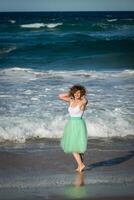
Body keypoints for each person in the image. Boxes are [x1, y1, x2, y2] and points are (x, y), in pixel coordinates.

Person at [59, 84, 88, 172]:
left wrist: (80, 95)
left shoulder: (82, 102)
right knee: (74, 145)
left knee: (73, 147)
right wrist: (72, 93)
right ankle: (80, 164)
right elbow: (60, 96)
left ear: (81, 93)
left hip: (78, 124)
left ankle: (81, 165)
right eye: (75, 93)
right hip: (71, 123)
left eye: (78, 93)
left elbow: (86, 100)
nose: (77, 94)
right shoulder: (71, 101)